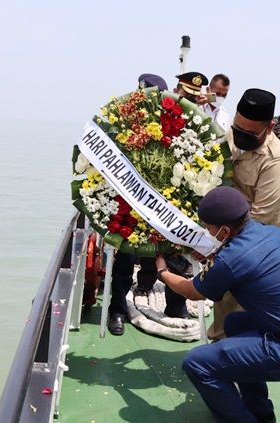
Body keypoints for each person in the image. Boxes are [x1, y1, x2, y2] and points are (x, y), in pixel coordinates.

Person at [155, 186, 280, 422]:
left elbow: (192, 292)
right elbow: (241, 259)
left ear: (224, 229)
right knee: (236, 323)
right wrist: (216, 256)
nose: (206, 231)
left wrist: (162, 270)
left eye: (209, 227)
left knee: (197, 363)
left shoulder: (232, 258)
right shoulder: (271, 233)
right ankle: (260, 411)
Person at [209, 88, 280, 340]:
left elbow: (259, 219)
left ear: (269, 127)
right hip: (228, 235)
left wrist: (214, 243)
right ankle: (219, 350)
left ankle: (240, 359)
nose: (240, 136)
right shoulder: (233, 135)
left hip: (264, 243)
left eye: (249, 133)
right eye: (237, 129)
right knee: (224, 302)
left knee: (247, 312)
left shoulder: (277, 162)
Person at [107, 73, 186, 336]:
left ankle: (176, 307)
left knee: (173, 256)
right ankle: (116, 310)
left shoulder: (177, 126)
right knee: (125, 260)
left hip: (164, 204)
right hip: (130, 207)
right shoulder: (124, 125)